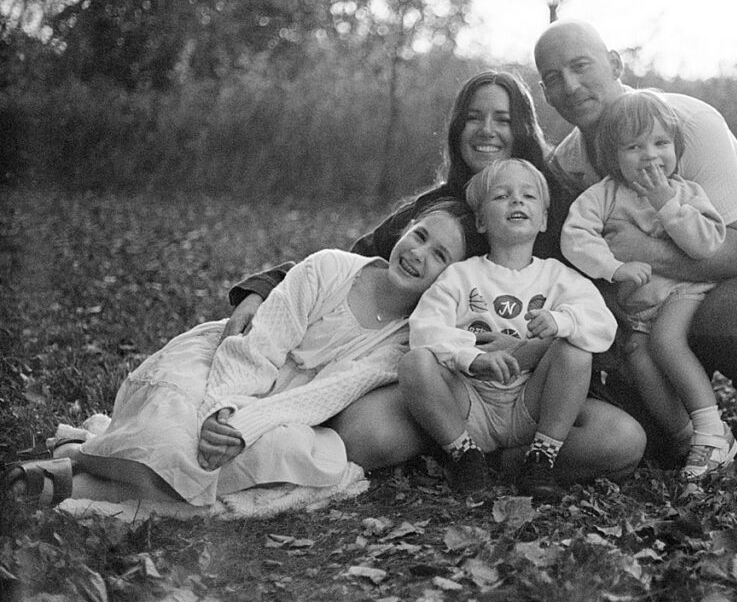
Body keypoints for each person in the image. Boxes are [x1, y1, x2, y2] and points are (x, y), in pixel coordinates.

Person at [221, 70, 646, 484]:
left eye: (502, 119)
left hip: (535, 392)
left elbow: (603, 317)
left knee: (624, 441)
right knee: (364, 436)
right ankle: (461, 449)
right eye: (474, 118)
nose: (486, 130)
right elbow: (357, 260)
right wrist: (262, 289)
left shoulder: (550, 209)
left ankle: (520, 460)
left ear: (522, 130)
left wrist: (533, 347)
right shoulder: (442, 205)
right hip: (456, 385)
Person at [5, 200, 479, 506]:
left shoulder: (401, 342)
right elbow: (260, 345)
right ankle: (86, 464)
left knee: (279, 457)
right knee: (178, 436)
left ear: (449, 281)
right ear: (404, 231)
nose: (419, 254)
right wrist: (224, 408)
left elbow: (324, 397)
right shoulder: (331, 268)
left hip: (281, 407)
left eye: (439, 256)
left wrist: (242, 427)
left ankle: (71, 476)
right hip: (228, 361)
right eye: (419, 236)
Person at [535, 19, 737, 455]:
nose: (569, 86)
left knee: (728, 324)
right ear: (546, 94)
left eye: (581, 66)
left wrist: (645, 253)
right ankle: (694, 433)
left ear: (614, 64)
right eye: (553, 78)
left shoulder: (687, 123)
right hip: (651, 301)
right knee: (648, 430)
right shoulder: (568, 163)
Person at [401, 159, 616, 499]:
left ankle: (540, 459)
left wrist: (562, 321)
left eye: (528, 196)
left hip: (531, 406)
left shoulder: (558, 277)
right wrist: (472, 359)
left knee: (575, 350)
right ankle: (465, 455)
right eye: (501, 196)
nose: (516, 201)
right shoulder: (461, 276)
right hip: (470, 405)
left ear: (544, 220)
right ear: (481, 221)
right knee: (415, 364)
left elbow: (603, 324)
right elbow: (425, 329)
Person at [561, 88, 737, 478]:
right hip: (639, 306)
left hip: (682, 290)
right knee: (637, 354)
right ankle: (686, 437)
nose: (650, 155)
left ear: (676, 147)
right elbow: (575, 238)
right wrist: (612, 267)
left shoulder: (685, 192)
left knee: (666, 341)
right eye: (634, 147)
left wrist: (665, 203)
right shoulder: (604, 195)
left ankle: (711, 432)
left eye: (661, 142)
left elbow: (706, 245)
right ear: (613, 156)